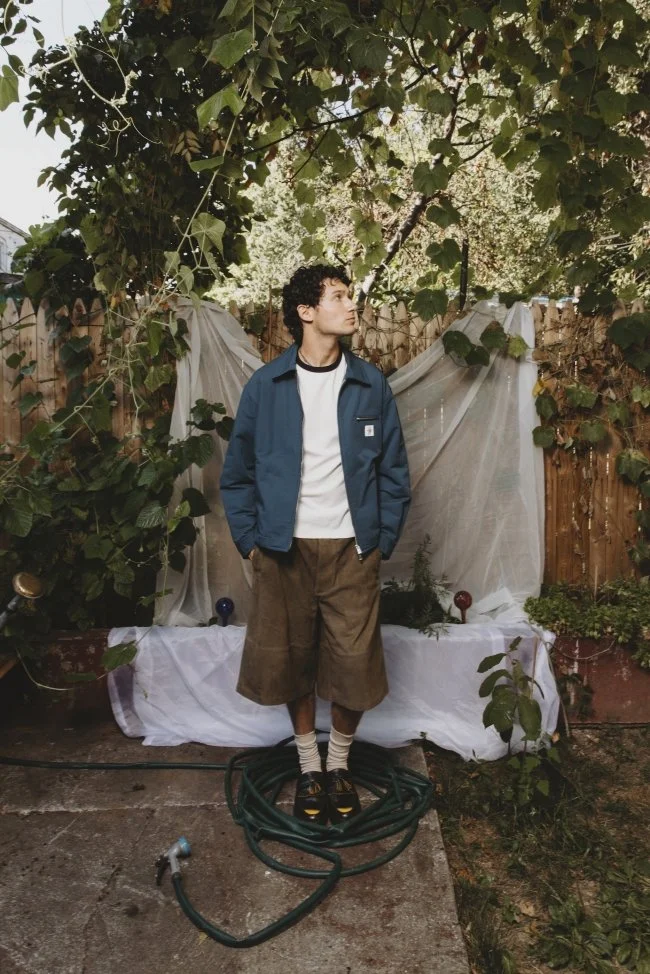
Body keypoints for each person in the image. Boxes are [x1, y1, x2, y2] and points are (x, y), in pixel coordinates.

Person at [220, 264, 411, 825]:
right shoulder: (266, 385)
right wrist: (252, 543)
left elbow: (394, 473)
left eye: (350, 295)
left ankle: (340, 763)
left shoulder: (371, 383)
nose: (352, 305)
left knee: (354, 662)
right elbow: (238, 475)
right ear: (306, 312)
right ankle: (309, 768)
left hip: (353, 549)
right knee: (291, 659)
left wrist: (379, 540)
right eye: (338, 296)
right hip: (284, 550)